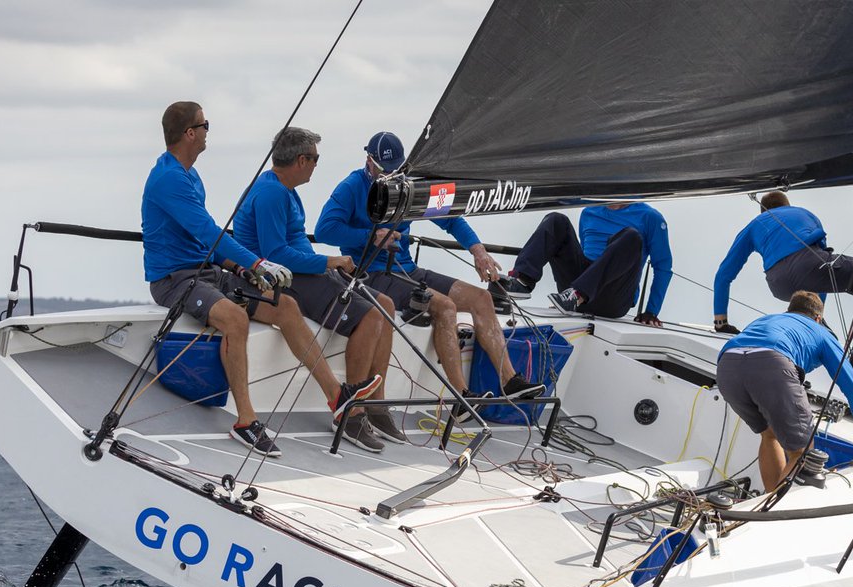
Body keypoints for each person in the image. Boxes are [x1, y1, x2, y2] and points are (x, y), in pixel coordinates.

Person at [142, 102, 379, 458]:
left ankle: (337, 397)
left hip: (207, 271)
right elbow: (208, 232)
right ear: (190, 133)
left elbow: (205, 242)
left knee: (286, 306)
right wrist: (257, 262)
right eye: (205, 125)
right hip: (174, 279)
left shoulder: (189, 175)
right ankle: (245, 421)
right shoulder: (168, 179)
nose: (208, 131)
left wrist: (242, 269)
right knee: (235, 319)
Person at [315, 131, 543, 405]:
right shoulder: (352, 187)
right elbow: (324, 230)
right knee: (445, 306)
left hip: (408, 271)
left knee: (482, 298)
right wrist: (370, 236)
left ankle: (510, 380)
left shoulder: (408, 185)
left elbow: (451, 218)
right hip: (373, 274)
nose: (390, 175)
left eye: (395, 169)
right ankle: (461, 398)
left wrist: (478, 250)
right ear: (369, 161)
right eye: (384, 170)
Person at [234, 126, 405, 453]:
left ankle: (374, 406)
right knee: (371, 317)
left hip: (305, 272)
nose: (316, 165)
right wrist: (330, 262)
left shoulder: (284, 190)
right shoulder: (272, 193)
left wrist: (327, 265)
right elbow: (275, 255)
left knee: (384, 304)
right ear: (301, 160)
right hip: (287, 279)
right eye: (315, 158)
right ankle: (350, 414)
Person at [715, 291, 853, 492]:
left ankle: (768, 499)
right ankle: (774, 508)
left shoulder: (767, 320)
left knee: (769, 433)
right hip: (772, 364)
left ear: (789, 310)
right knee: (802, 452)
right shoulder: (821, 332)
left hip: (727, 366)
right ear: (818, 318)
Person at [712, 191, 853, 335]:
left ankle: (805, 323)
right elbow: (823, 265)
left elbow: (723, 276)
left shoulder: (753, 225)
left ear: (762, 211)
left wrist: (721, 323)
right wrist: (818, 315)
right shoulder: (804, 213)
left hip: (779, 285)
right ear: (788, 205)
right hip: (808, 266)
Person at [500, 203, 670, 324]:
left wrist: (651, 311)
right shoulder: (589, 211)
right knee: (557, 220)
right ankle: (523, 281)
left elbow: (663, 266)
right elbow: (583, 252)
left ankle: (577, 294)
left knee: (631, 236)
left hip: (614, 297)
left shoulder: (650, 217)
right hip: (578, 290)